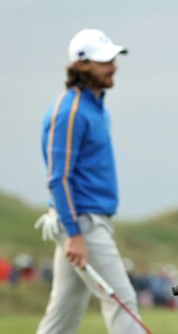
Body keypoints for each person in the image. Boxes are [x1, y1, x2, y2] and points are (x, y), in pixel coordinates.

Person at [35, 29, 145, 334]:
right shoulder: (69, 111)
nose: (113, 66)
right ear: (81, 66)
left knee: (64, 313)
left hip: (86, 221)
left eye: (112, 59)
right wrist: (74, 233)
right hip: (82, 222)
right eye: (104, 61)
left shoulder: (94, 107)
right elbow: (59, 178)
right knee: (123, 302)